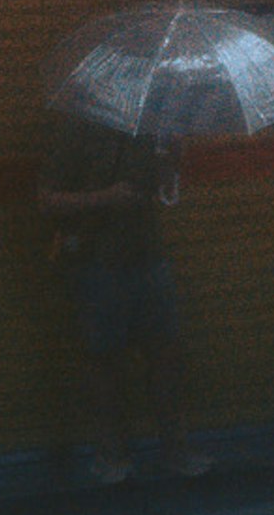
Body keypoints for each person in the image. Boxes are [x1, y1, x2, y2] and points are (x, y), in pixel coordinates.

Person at [37, 109, 206, 483]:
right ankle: (111, 453)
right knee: (103, 360)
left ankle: (175, 448)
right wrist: (105, 198)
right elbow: (47, 199)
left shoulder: (152, 128)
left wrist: (173, 160)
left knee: (166, 353)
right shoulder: (77, 128)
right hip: (96, 261)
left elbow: (165, 195)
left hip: (147, 255)